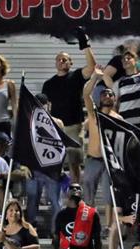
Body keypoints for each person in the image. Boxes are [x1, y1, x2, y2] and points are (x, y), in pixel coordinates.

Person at [41, 27, 97, 183]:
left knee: (74, 162)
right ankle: (54, 193)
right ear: (55, 64)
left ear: (71, 63)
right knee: (53, 162)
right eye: (59, 59)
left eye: (65, 59)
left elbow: (92, 68)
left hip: (73, 126)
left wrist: (85, 45)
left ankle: (75, 191)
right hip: (54, 127)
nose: (61, 61)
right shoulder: (48, 84)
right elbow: (45, 106)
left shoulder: (76, 76)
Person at [81, 68, 118, 230]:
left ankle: (109, 226)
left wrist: (108, 78)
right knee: (88, 193)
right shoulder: (93, 113)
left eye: (110, 94)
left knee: (109, 196)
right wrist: (95, 77)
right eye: (104, 94)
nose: (107, 96)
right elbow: (86, 93)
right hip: (93, 159)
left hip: (109, 162)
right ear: (100, 97)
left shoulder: (119, 119)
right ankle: (90, 224)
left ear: (115, 99)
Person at [25, 93, 63, 232]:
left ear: (49, 105)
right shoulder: (29, 124)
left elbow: (61, 147)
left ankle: (57, 231)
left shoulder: (57, 123)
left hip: (52, 169)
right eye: (37, 103)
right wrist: (24, 166)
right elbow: (25, 148)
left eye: (43, 103)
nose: (41, 106)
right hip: (34, 168)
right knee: (32, 201)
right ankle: (31, 230)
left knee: (55, 202)